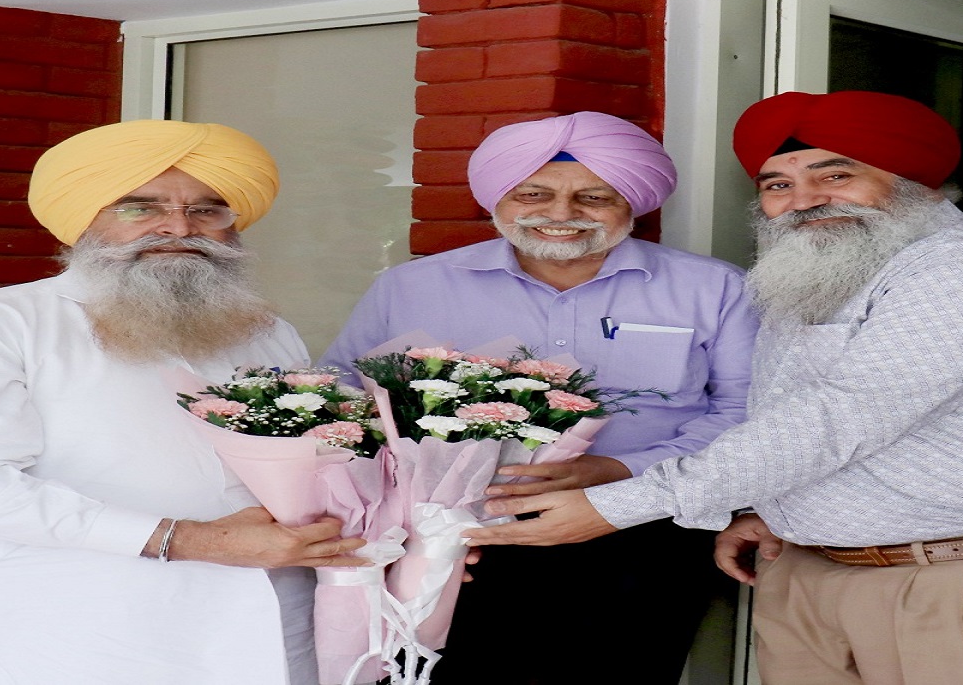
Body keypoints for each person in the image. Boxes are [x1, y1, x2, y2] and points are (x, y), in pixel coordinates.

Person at [465, 91, 963, 685]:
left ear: (920, 186)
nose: (802, 200)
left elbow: (841, 418)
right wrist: (763, 510)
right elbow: (778, 417)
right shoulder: (807, 275)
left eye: (837, 175)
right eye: (779, 183)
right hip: (808, 572)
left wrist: (616, 505)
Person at [0, 120, 370, 685]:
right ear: (81, 221)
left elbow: (319, 463)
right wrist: (189, 540)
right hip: (59, 637)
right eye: (140, 208)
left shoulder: (266, 332)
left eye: (208, 210)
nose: (179, 227)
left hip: (269, 624)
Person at [319, 111, 758, 684]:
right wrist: (395, 520)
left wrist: (616, 469)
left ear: (633, 202)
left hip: (639, 534)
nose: (562, 213)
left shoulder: (713, 288)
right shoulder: (411, 287)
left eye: (594, 196)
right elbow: (348, 402)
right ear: (498, 198)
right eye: (535, 192)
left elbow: (746, 414)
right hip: (455, 540)